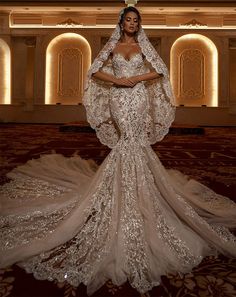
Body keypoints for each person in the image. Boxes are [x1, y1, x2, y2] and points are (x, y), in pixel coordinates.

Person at [0, 6, 236, 296]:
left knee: (135, 143)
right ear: (121, 22)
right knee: (127, 143)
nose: (133, 24)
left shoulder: (142, 45)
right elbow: (94, 70)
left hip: (136, 99)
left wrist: (137, 79)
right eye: (129, 19)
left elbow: (159, 71)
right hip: (118, 100)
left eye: (136, 20)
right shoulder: (112, 45)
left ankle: (140, 193)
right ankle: (122, 190)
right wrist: (117, 81)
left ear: (139, 24)